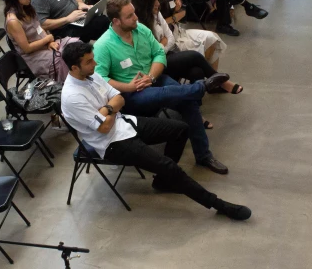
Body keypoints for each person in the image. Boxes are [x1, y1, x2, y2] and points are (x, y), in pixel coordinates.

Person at [60, 42, 251, 220]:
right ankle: (219, 205)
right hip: (111, 143)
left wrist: (107, 109)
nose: (94, 63)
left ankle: (163, 181)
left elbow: (119, 98)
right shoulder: (72, 97)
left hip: (125, 122)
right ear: (74, 68)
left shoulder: (91, 75)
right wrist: (112, 108)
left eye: (92, 58)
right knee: (169, 166)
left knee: (181, 130)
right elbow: (104, 127)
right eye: (89, 61)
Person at [93, 0, 230, 173]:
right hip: (131, 94)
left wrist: (150, 77)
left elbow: (159, 54)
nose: (136, 17)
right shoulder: (103, 46)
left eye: (134, 12)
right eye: (130, 16)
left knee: (187, 101)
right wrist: (130, 87)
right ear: (116, 21)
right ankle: (202, 87)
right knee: (179, 94)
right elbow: (100, 79)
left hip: (154, 79)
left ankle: (204, 156)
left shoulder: (141, 29)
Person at [134, 0, 238, 94]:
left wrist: (162, 44)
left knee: (197, 71)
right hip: (157, 63)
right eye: (155, 1)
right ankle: (221, 81)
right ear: (145, 4)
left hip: (168, 52)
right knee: (194, 56)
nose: (158, 3)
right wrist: (163, 45)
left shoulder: (156, 13)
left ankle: (200, 99)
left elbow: (170, 37)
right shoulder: (138, 26)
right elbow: (151, 54)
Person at [5, 0, 79, 83]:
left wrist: (50, 42)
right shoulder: (13, 21)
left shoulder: (28, 9)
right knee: (63, 57)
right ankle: (69, 85)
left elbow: (39, 28)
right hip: (33, 56)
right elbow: (27, 48)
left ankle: (82, 78)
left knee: (75, 44)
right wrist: (47, 40)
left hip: (44, 44)